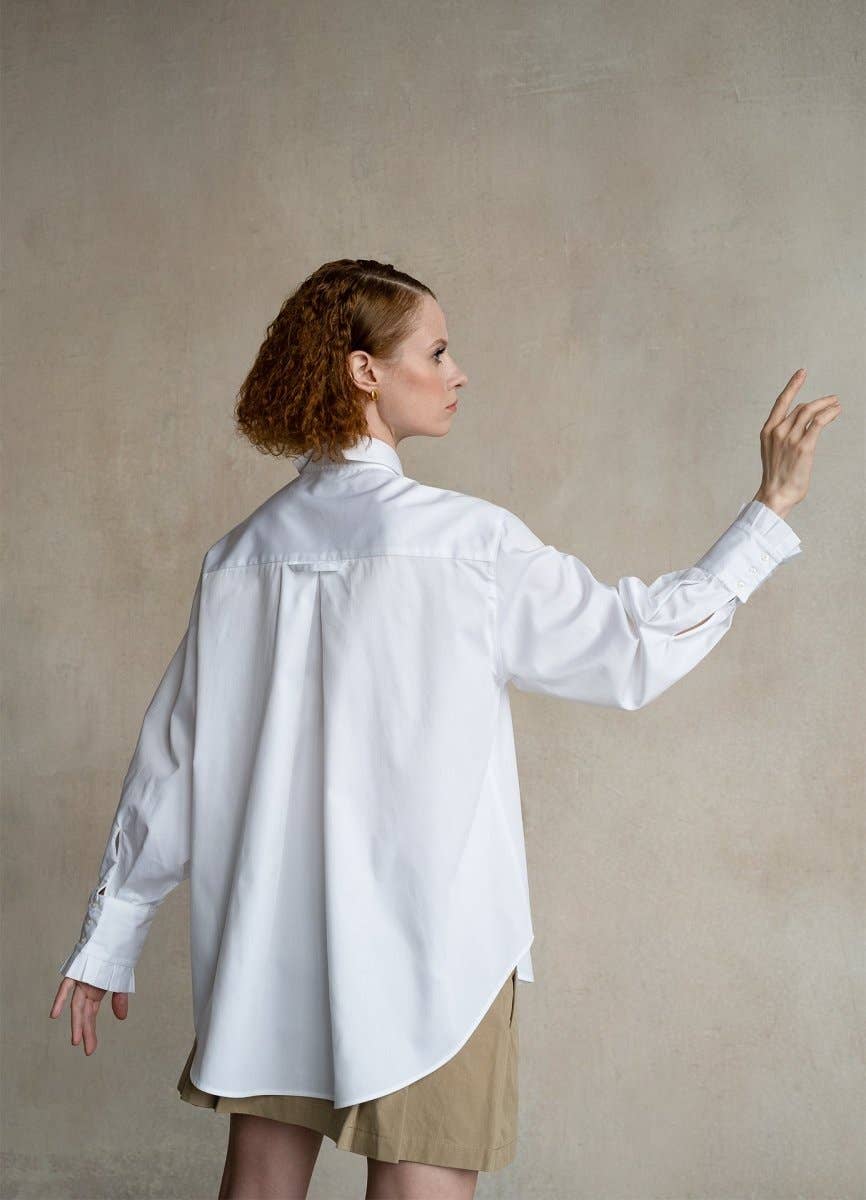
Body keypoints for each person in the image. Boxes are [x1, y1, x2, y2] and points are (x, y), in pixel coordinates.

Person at [49, 258, 840, 1200]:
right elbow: (632, 649)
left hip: (270, 931)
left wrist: (112, 937)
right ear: (364, 372)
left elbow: (171, 767)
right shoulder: (467, 544)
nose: (459, 371)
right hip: (437, 948)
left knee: (259, 1187)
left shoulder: (239, 560)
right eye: (437, 349)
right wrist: (769, 510)